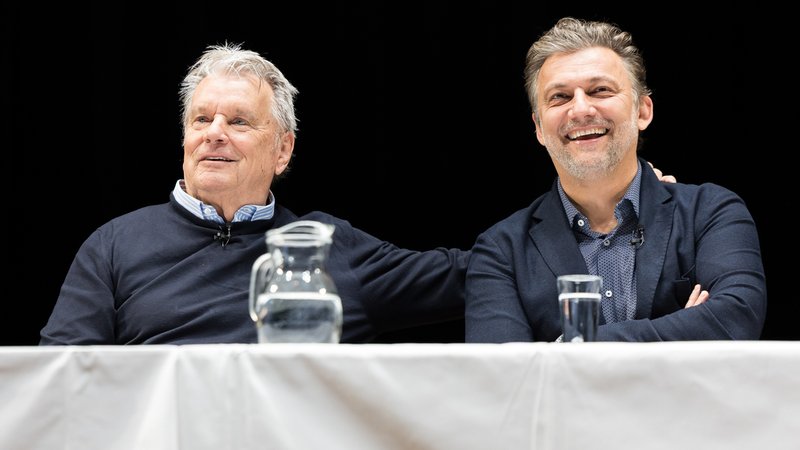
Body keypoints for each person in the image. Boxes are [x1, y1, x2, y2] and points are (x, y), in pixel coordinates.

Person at [39, 42, 469, 345]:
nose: (215, 134)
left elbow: (478, 272)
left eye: (239, 122)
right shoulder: (114, 245)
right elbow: (61, 377)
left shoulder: (323, 244)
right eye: (202, 120)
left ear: (283, 149)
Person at [464, 17, 766, 342]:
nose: (580, 110)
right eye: (560, 97)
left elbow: (736, 319)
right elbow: (503, 377)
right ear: (539, 127)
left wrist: (570, 350)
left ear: (643, 111)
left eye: (600, 90)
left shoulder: (712, 212)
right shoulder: (501, 250)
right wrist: (684, 331)